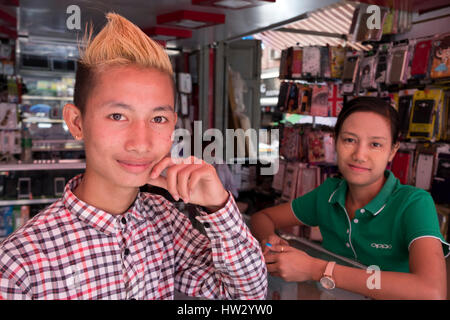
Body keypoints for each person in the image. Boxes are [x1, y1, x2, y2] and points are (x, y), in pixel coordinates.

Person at [0, 13, 267, 300]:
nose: (141, 143)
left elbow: (245, 297)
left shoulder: (164, 220)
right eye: (118, 116)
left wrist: (218, 207)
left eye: (158, 118)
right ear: (77, 122)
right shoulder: (20, 265)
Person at [250, 96, 449, 299]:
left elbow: (432, 291)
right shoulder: (329, 193)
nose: (359, 155)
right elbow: (262, 218)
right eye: (349, 140)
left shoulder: (414, 203)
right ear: (335, 141)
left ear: (392, 151)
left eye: (375, 145)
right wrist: (271, 242)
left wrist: (317, 269)